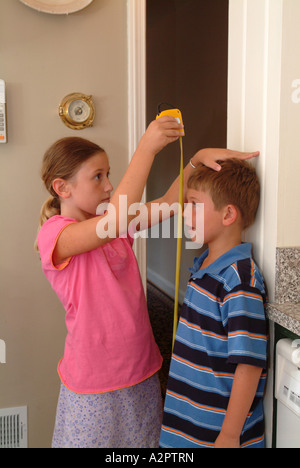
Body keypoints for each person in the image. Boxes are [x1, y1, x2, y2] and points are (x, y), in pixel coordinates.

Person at [35, 114, 259, 448]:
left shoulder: (112, 221)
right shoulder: (54, 235)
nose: (109, 185)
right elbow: (114, 222)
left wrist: (195, 161)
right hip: (95, 382)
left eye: (108, 174)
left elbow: (170, 203)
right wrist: (146, 149)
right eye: (98, 176)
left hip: (141, 369)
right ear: (61, 187)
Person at [160, 158, 268, 449]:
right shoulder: (206, 264)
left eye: (194, 204)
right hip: (186, 423)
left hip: (217, 434)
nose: (185, 213)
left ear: (228, 214)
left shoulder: (239, 281)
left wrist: (230, 435)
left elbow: (248, 364)